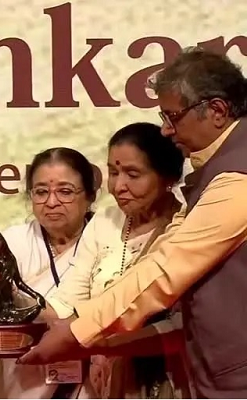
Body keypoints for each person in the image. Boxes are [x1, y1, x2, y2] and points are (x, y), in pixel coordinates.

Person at [18, 47, 247, 398]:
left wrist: (80, 331)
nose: (166, 130)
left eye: (173, 117)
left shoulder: (238, 177)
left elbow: (166, 269)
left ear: (216, 111)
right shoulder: (213, 173)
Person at [0, 147, 100, 398]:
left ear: (89, 196)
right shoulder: (13, 241)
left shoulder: (105, 240)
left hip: (90, 380)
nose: (51, 202)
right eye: (41, 192)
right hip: (21, 382)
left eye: (65, 191)